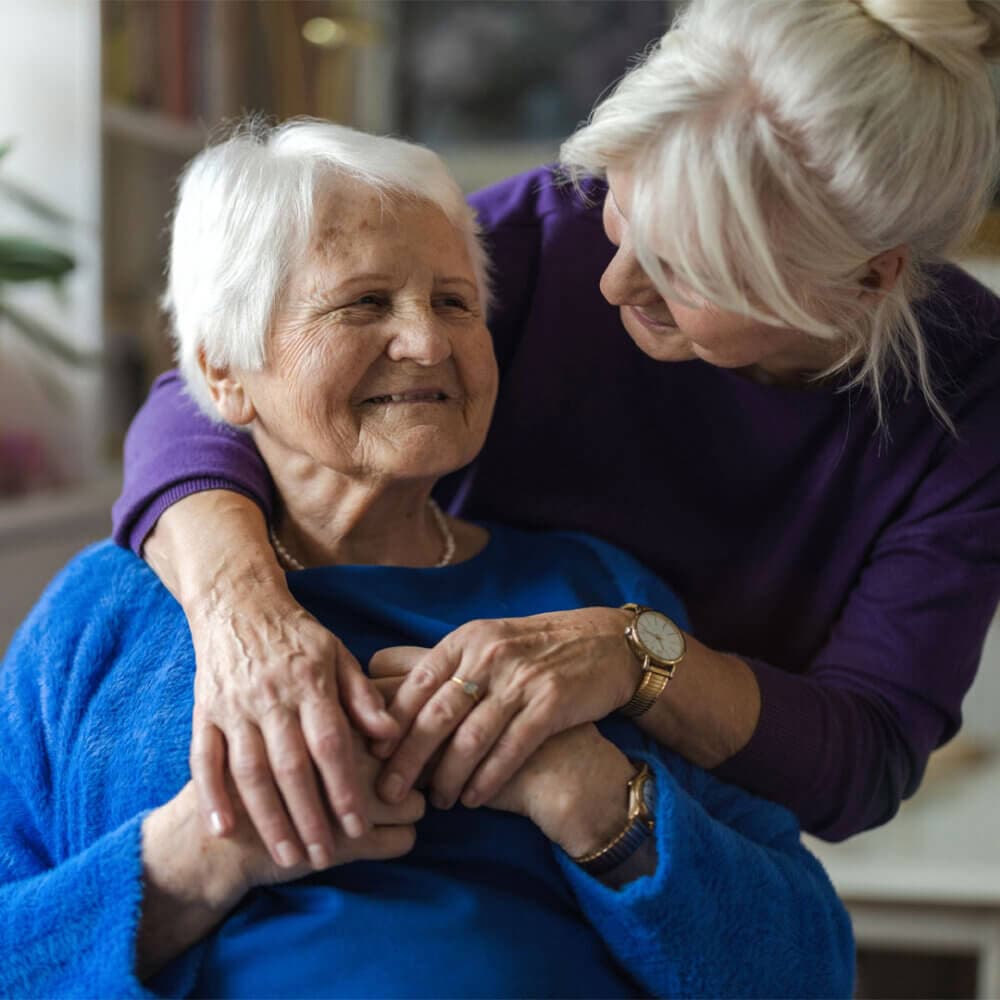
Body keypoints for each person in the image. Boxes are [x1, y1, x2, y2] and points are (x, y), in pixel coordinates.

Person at [113, 0, 1000, 863]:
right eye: (621, 210)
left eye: (686, 270)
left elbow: (866, 757)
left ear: (867, 282)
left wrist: (637, 659)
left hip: (667, 830)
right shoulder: (548, 229)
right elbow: (211, 387)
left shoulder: (971, 398)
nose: (614, 284)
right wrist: (248, 621)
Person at [0, 119, 853, 998]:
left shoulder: (597, 600)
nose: (429, 341)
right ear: (223, 371)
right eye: (364, 303)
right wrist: (203, 854)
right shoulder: (102, 618)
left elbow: (807, 969)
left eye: (454, 303)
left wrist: (590, 794)